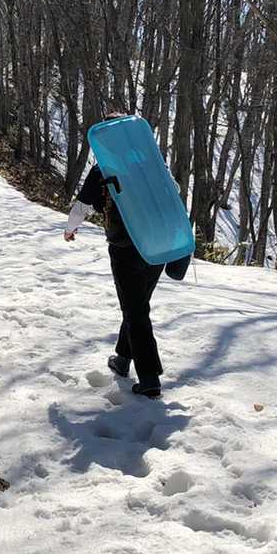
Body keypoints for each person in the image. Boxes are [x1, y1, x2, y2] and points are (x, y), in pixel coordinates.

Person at [64, 155, 177, 399]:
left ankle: (149, 377)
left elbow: (83, 205)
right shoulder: (152, 162)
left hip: (126, 248)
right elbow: (174, 191)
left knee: (135, 310)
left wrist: (70, 229)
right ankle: (123, 358)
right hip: (157, 244)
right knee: (137, 304)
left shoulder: (104, 168)